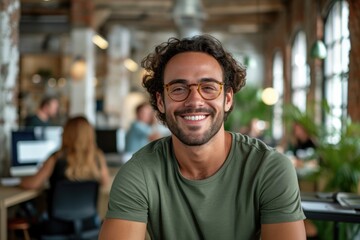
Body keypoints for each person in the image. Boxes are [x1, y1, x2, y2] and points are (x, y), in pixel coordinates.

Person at [99, 35, 306, 240]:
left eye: (208, 88)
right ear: (161, 102)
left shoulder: (270, 168)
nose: (195, 100)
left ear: (227, 99)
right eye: (178, 89)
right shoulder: (139, 173)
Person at [20, 116, 110, 235]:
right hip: (88, 224)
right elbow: (106, 182)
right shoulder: (98, 157)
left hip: (57, 226)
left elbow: (33, 184)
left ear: (67, 134)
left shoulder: (56, 158)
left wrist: (21, 181)